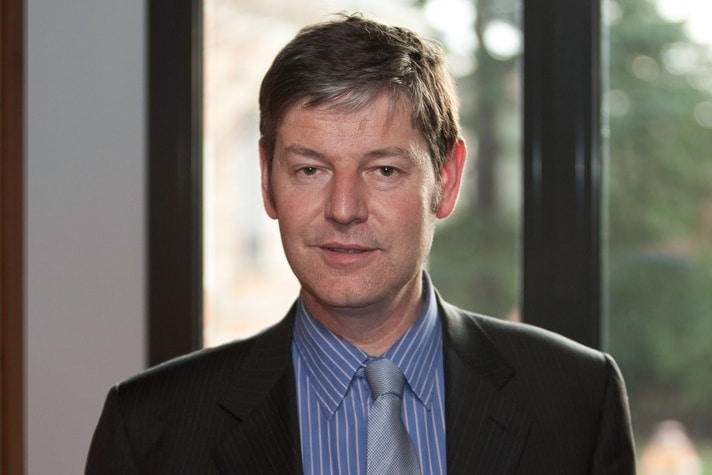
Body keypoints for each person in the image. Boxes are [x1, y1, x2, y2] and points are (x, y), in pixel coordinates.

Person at [86, 13, 636, 474]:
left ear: (445, 180)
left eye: (384, 170)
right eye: (310, 169)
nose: (344, 208)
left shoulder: (578, 401)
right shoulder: (150, 430)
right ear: (267, 180)